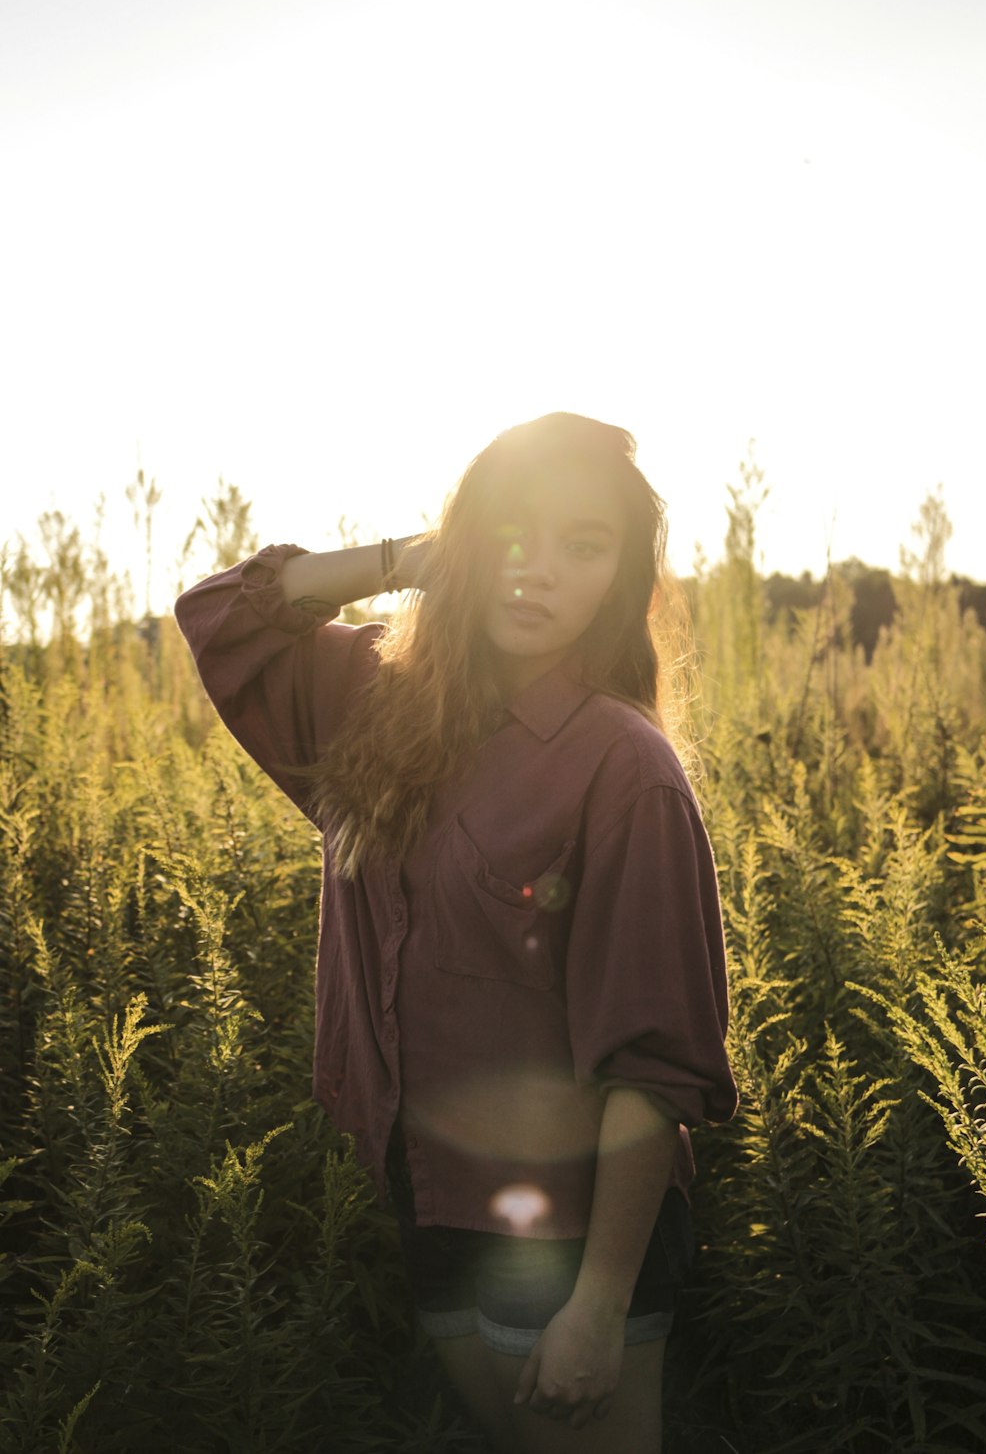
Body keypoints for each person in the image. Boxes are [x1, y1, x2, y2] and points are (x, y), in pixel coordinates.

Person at [174, 410, 738, 1453]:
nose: (539, 571)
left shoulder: (625, 772)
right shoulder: (370, 701)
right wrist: (408, 560)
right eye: (512, 533)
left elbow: (653, 1069)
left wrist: (600, 1305)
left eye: (585, 545)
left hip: (574, 1239)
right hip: (429, 1200)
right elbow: (221, 614)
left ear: (620, 576)